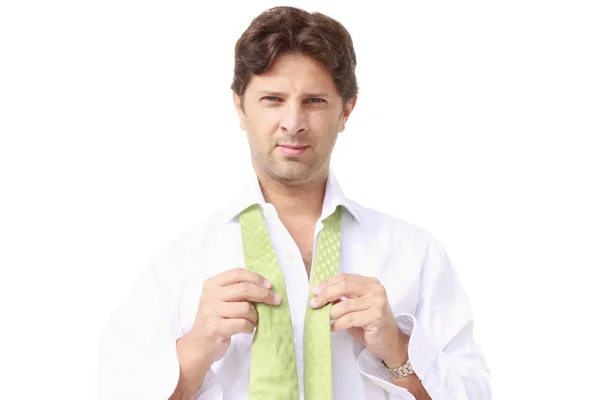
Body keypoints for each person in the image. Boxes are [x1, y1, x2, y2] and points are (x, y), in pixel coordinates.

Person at [98, 6, 491, 400]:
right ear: (240, 107)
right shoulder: (177, 267)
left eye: (315, 101)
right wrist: (195, 352)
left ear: (346, 110)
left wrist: (399, 349)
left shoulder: (415, 255)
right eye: (272, 98)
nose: (293, 122)